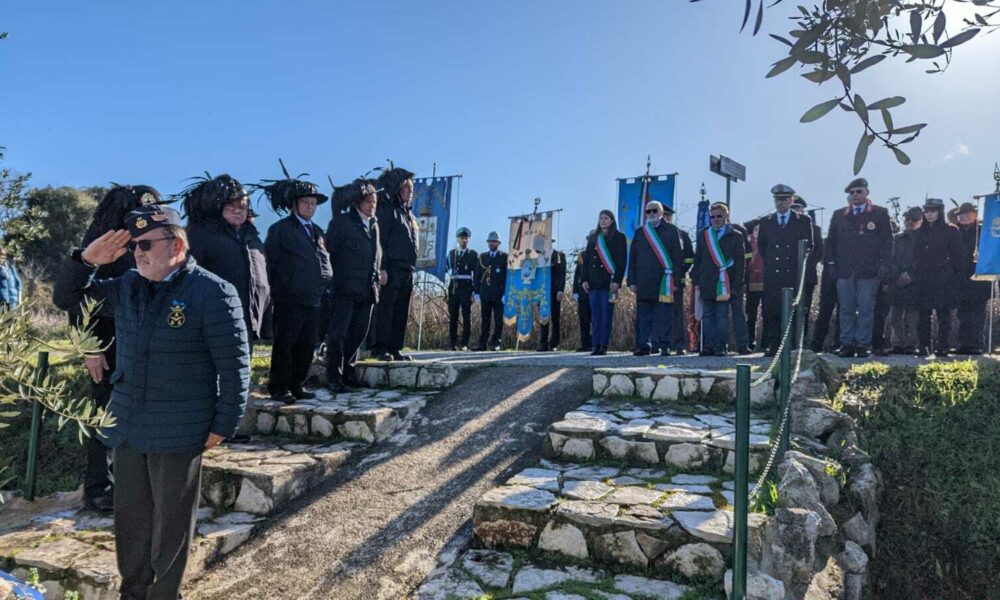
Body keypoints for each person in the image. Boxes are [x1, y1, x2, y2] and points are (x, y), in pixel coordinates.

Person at [53, 204, 248, 600]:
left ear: (176, 245)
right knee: (131, 520)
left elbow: (235, 368)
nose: (137, 253)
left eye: (145, 245)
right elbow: (67, 298)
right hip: (128, 424)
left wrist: (223, 424)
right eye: (134, 246)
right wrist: (85, 261)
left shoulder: (213, 292)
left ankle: (164, 595)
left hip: (179, 427)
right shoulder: (127, 285)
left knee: (171, 525)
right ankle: (134, 592)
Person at [67, 185, 164, 514]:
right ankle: (98, 488)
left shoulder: (144, 242)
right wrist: (90, 348)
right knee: (105, 415)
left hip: (140, 343)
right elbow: (78, 300)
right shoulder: (103, 243)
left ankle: (130, 482)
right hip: (107, 344)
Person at [182, 174, 269, 439]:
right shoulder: (200, 234)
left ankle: (233, 426)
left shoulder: (252, 236)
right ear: (218, 206)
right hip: (211, 321)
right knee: (211, 375)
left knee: (239, 375)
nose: (238, 210)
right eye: (231, 205)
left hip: (246, 319)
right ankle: (206, 428)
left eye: (242, 206)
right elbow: (186, 277)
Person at [260, 172, 332, 403]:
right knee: (285, 344)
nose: (310, 207)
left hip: (314, 297)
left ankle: (297, 383)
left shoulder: (317, 231)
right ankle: (279, 387)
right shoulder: (280, 229)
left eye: (313, 203)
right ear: (294, 205)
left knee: (306, 345)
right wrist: (275, 292)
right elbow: (270, 262)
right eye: (305, 202)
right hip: (289, 298)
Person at [324, 179, 383, 391]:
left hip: (368, 289)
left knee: (358, 333)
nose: (372, 205)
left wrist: (377, 276)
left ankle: (349, 373)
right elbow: (329, 251)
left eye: (374, 201)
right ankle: (334, 376)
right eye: (368, 201)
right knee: (338, 334)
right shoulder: (341, 223)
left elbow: (376, 255)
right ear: (357, 202)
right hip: (345, 288)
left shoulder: (374, 225)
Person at [825, 178, 893, 358]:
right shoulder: (839, 214)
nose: (855, 195)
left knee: (866, 309)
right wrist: (830, 264)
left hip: (869, 271)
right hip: (845, 270)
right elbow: (830, 242)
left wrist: (885, 265)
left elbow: (887, 242)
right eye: (852, 192)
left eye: (859, 191)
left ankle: (863, 344)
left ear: (867, 192)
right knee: (846, 309)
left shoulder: (879, 213)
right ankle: (847, 343)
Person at [757, 184, 814, 356]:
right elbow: (762, 246)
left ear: (791, 200)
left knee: (793, 310)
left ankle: (794, 346)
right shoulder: (767, 221)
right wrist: (770, 263)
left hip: (793, 273)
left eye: (783, 199)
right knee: (772, 310)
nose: (780, 203)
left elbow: (809, 245)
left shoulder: (802, 220)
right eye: (777, 199)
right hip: (773, 274)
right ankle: (774, 345)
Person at [372, 165, 418, 361]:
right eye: (406, 188)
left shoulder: (409, 214)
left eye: (411, 189)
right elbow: (380, 241)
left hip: (407, 269)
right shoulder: (387, 210)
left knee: (401, 310)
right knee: (386, 308)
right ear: (397, 188)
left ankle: (395, 347)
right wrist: (382, 268)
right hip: (391, 267)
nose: (410, 192)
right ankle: (380, 348)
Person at [628, 200, 684, 356]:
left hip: (664, 281)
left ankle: (664, 345)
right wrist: (632, 281)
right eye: (649, 211)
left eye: (655, 211)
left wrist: (677, 280)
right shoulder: (640, 232)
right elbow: (633, 258)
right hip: (644, 281)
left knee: (663, 316)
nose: (651, 214)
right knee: (644, 317)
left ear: (661, 213)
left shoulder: (672, 230)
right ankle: (643, 346)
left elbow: (678, 257)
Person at [694, 203, 747, 356]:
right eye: (713, 217)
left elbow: (740, 263)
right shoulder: (704, 235)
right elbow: (698, 260)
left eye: (719, 216)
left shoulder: (736, 235)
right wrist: (696, 280)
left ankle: (720, 346)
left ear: (726, 216)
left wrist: (736, 285)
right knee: (708, 316)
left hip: (725, 282)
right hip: (707, 281)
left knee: (722, 316)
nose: (716, 219)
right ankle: (708, 346)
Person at [915, 198, 962, 357]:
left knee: (943, 313)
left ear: (940, 212)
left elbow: (957, 256)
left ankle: (943, 345)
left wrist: (954, 276)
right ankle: (924, 346)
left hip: (944, 277)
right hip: (923, 278)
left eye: (933, 211)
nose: (929, 214)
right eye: (926, 211)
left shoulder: (951, 230)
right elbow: (915, 256)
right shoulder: (920, 232)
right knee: (923, 314)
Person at [581, 210, 627, 355]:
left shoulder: (619, 237)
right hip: (593, 282)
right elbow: (587, 260)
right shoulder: (594, 237)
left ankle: (603, 345)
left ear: (612, 220)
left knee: (606, 314)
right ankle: (595, 344)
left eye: (606, 218)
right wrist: (584, 279)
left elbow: (621, 261)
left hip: (609, 282)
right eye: (601, 218)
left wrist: (617, 280)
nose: (603, 221)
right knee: (595, 315)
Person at [954, 202, 991, 354]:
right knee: (963, 314)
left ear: (975, 215)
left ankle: (977, 344)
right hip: (961, 279)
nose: (964, 217)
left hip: (979, 278)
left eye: (967, 214)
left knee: (978, 313)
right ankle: (964, 344)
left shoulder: (983, 232)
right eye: (961, 215)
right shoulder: (955, 233)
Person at [887, 207, 923, 354]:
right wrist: (898, 275)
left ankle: (912, 344)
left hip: (916, 282)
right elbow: (889, 259)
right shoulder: (896, 239)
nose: (910, 222)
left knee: (912, 316)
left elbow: (925, 261)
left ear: (921, 221)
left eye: (914, 219)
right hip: (896, 281)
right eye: (907, 219)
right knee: (895, 316)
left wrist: (911, 276)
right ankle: (897, 343)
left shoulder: (924, 239)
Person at [663, 205, 695, 354]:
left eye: (667, 216)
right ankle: (661, 344)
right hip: (658, 282)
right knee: (660, 313)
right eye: (663, 215)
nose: (665, 218)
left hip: (676, 281)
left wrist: (679, 274)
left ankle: (678, 344)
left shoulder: (682, 235)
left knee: (677, 313)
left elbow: (689, 258)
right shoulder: (653, 235)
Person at [791, 196, 824, 340]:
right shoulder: (784, 227)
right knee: (787, 308)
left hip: (807, 274)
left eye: (798, 209)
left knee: (804, 308)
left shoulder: (814, 229)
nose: (796, 212)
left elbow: (818, 251)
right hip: (788, 276)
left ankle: (802, 339)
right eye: (793, 209)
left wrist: (804, 263)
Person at [446, 227, 478, 350]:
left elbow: (476, 275)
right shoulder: (452, 254)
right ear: (458, 239)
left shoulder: (473, 255)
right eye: (462, 238)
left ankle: (464, 343)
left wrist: (475, 291)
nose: (464, 240)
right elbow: (445, 268)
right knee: (453, 315)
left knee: (466, 315)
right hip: (454, 287)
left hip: (466, 288)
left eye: (466, 238)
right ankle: (452, 342)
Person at [475, 231, 507, 351]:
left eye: (494, 241)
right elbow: (477, 275)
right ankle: (482, 343)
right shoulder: (483, 257)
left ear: (498, 243)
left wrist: (506, 293)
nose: (492, 243)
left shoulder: (504, 257)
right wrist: (476, 292)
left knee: (498, 320)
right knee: (485, 320)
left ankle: (496, 342)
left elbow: (507, 276)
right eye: (490, 241)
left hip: (499, 294)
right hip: (485, 293)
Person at [538, 243, 567, 351]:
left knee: (555, 317)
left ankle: (554, 343)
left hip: (555, 291)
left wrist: (561, 290)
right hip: (543, 291)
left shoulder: (560, 255)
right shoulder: (540, 257)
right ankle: (543, 343)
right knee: (543, 318)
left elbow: (562, 274)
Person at [743, 218, 765, 351]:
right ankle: (750, 340)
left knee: (767, 313)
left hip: (767, 281)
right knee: (751, 313)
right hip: (751, 281)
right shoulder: (749, 243)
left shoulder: (767, 242)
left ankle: (765, 342)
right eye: (757, 229)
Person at [572, 251, 593, 352]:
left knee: (595, 321)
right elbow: (577, 274)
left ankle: (594, 343)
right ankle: (585, 343)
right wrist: (575, 291)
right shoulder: (582, 255)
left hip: (595, 293)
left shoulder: (601, 253)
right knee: (584, 320)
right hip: (582, 294)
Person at [0, 245, 21, 310]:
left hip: (12, 300)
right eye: (1, 256)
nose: (2, 258)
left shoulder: (11, 267)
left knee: (12, 316)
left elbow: (18, 282)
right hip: (2, 300)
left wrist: (19, 299)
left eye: (3, 256)